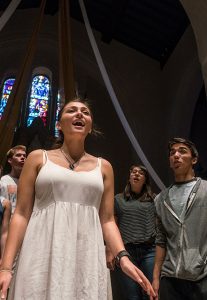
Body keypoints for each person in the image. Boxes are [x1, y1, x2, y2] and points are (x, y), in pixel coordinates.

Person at [0, 98, 155, 299]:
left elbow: (107, 220)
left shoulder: (104, 166)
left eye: (85, 112)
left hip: (87, 253)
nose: (79, 114)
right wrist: (5, 268)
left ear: (90, 128)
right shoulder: (38, 158)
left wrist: (122, 257)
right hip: (41, 249)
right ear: (59, 124)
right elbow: (21, 214)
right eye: (71, 110)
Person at [151, 137, 207, 300]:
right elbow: (161, 240)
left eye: (182, 151)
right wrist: (156, 278)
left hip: (205, 276)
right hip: (171, 278)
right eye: (172, 153)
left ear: (194, 159)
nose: (176, 155)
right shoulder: (160, 199)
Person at [107, 165, 156, 300]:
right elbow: (112, 224)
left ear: (145, 179)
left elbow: (159, 225)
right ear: (129, 176)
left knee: (150, 293)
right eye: (134, 172)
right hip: (126, 252)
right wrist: (110, 250)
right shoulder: (118, 199)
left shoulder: (153, 199)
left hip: (149, 251)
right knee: (131, 296)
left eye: (141, 173)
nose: (136, 174)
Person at [0, 145, 26, 214]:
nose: (22, 157)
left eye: (24, 155)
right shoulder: (3, 181)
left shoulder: (29, 181)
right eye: (18, 155)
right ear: (10, 160)